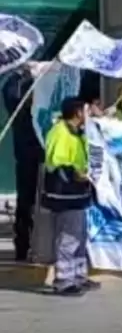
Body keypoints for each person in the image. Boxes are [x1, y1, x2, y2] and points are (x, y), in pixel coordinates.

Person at [42, 97, 97, 296]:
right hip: (65, 194)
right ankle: (64, 280)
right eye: (86, 110)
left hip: (78, 194)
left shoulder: (78, 132)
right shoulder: (60, 132)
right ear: (77, 113)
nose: (88, 114)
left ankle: (78, 275)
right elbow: (57, 163)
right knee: (68, 238)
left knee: (80, 236)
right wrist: (78, 174)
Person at [2, 67, 43, 262]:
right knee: (26, 200)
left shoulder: (49, 77)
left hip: (47, 148)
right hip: (27, 149)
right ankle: (23, 245)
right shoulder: (15, 83)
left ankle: (43, 245)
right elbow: (13, 100)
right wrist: (31, 84)